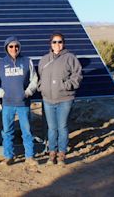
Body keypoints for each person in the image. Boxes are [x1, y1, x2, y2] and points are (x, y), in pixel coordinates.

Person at [0, 36, 39, 166]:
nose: (14, 48)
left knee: (27, 131)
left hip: (23, 103)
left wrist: (28, 92)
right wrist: (0, 92)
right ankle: (8, 156)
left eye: (16, 46)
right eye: (11, 46)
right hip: (7, 104)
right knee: (7, 131)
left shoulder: (27, 61)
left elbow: (34, 79)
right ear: (6, 48)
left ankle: (29, 156)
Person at [37, 32, 82, 165]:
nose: (57, 44)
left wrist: (66, 85)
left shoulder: (70, 58)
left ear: (64, 43)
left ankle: (62, 153)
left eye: (60, 41)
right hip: (48, 99)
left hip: (65, 99)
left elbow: (77, 76)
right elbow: (40, 75)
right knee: (51, 128)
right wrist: (42, 87)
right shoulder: (44, 59)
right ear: (50, 44)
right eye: (54, 42)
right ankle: (52, 153)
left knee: (62, 126)